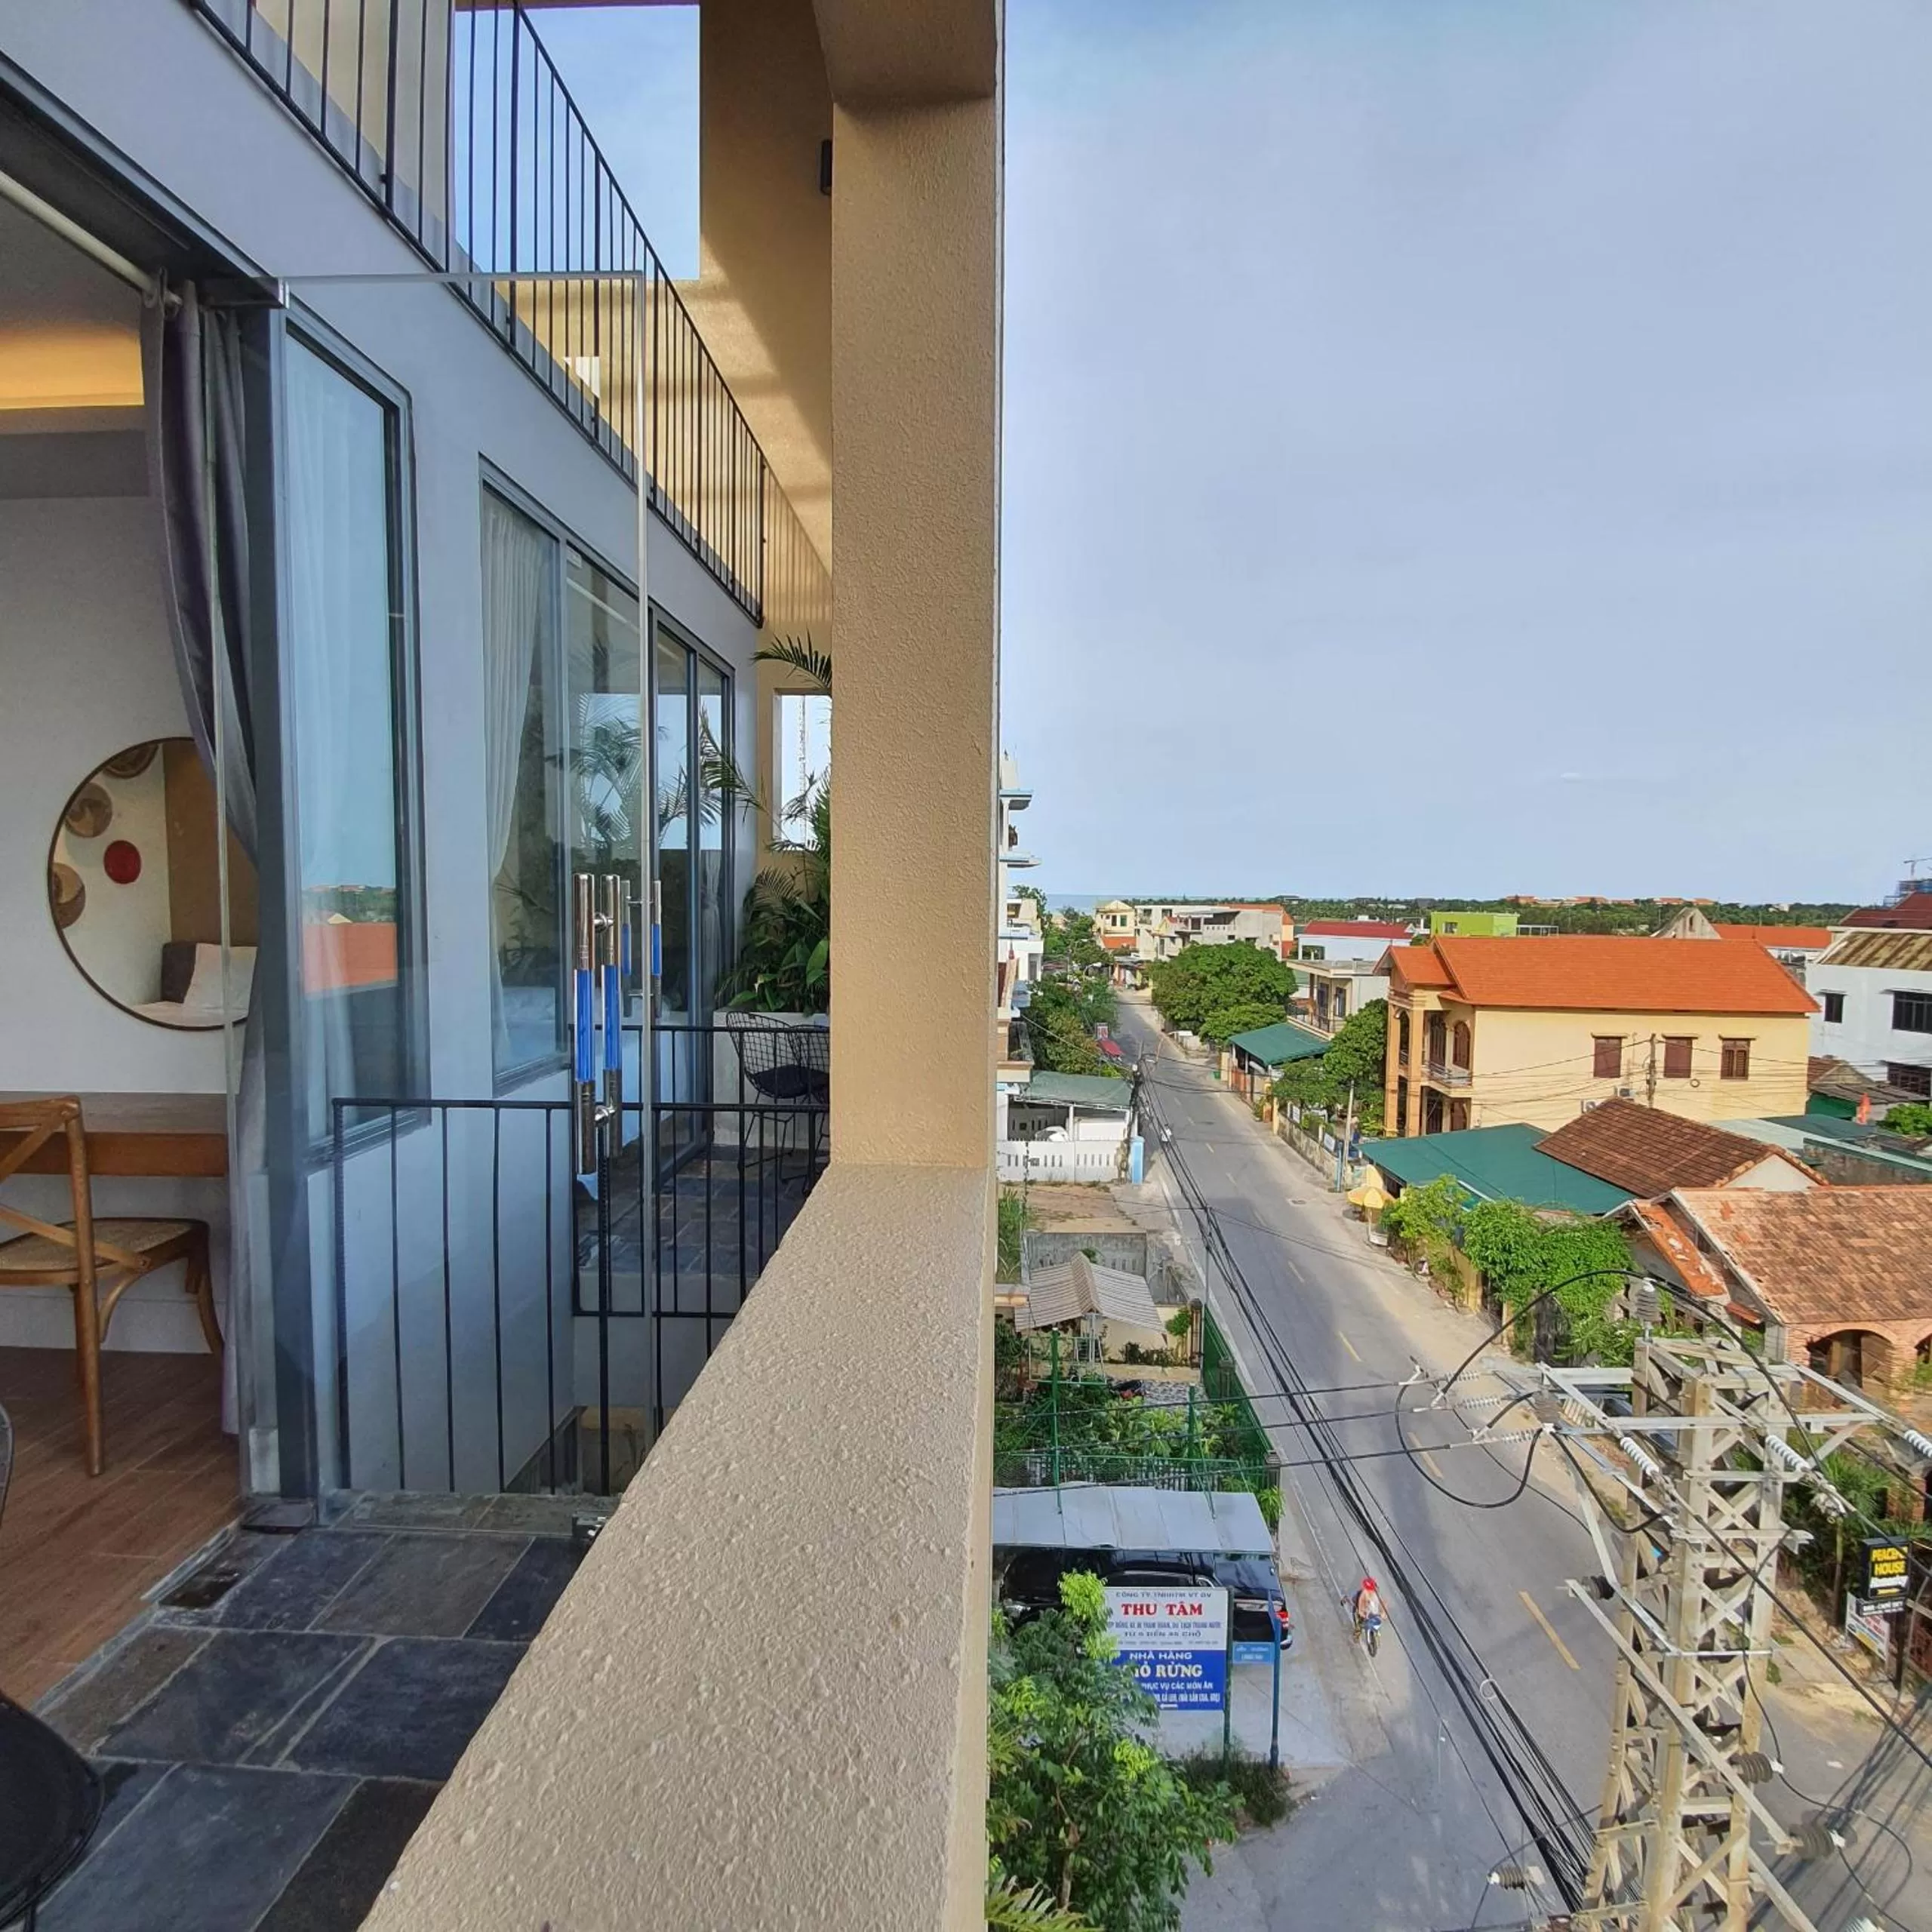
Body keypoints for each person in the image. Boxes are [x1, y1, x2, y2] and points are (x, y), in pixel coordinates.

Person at [1352, 1577, 1383, 1641]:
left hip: (1370, 1607)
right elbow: (1361, 1604)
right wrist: (1362, 1612)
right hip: (1363, 1607)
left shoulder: (1375, 1592)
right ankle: (1356, 1635)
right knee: (1360, 1623)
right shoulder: (1362, 1595)